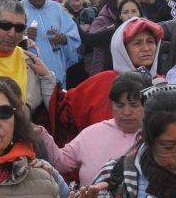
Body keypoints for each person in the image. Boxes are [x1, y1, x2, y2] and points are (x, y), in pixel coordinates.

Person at [47, 17, 164, 146]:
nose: (146, 48)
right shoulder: (102, 82)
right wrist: (45, 78)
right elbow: (64, 111)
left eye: (151, 41)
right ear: (122, 48)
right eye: (138, 43)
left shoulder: (163, 85)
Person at [38, 72, 147, 185]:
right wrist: (40, 134)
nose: (127, 112)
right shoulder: (92, 133)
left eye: (134, 105)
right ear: (110, 104)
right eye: (120, 105)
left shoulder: (155, 136)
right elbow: (61, 162)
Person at [22, 0, 81, 88]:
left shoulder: (57, 8)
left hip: (56, 76)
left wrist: (63, 38)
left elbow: (74, 35)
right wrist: (24, 36)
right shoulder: (17, 9)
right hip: (27, 78)